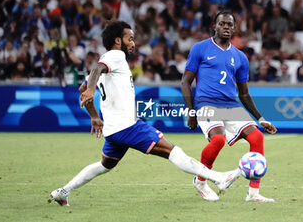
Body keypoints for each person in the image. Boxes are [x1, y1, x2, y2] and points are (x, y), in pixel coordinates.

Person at [50, 20, 240, 206]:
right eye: (130, 39)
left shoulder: (111, 61)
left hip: (113, 129)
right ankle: (218, 178)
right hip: (127, 126)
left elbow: (82, 89)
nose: (133, 43)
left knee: (104, 165)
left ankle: (63, 191)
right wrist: (92, 92)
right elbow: (96, 70)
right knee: (173, 151)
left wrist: (94, 117)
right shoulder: (115, 56)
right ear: (118, 41)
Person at [181, 11, 277, 203]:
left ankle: (253, 194)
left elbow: (244, 94)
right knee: (218, 140)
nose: (226, 27)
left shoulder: (240, 57)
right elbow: (185, 82)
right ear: (214, 25)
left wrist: (260, 119)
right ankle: (200, 181)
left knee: (257, 136)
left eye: (230, 25)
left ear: (234, 28)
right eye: (222, 23)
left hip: (230, 105)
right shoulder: (200, 48)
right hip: (206, 103)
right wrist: (191, 111)